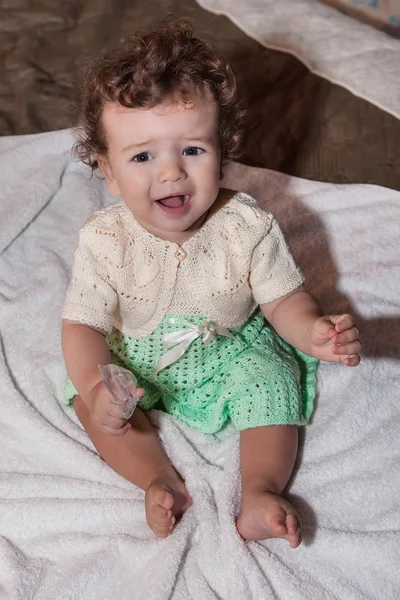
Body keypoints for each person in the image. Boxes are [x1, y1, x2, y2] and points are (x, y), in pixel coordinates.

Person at [62, 20, 361, 549]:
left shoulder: (248, 225)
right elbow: (82, 325)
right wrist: (95, 383)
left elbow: (283, 298)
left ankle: (261, 491)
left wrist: (312, 330)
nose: (172, 173)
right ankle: (157, 478)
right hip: (137, 363)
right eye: (142, 156)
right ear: (107, 171)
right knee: (97, 411)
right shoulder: (104, 240)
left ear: (223, 154)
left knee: (274, 378)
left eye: (193, 151)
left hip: (227, 351)